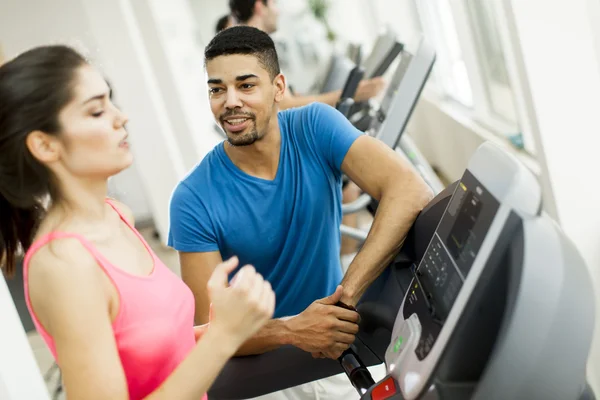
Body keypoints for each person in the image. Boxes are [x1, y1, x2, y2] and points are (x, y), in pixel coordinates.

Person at [168, 26, 433, 399]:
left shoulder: (314, 126)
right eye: (217, 89)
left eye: (246, 85)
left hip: (333, 342)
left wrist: (345, 296)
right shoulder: (192, 199)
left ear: (278, 87)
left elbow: (409, 188)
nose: (229, 101)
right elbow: (208, 327)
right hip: (261, 362)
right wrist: (293, 329)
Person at [0, 45, 276, 400]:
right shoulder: (63, 265)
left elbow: (154, 350)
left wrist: (228, 325)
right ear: (45, 145)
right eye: (97, 110)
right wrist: (222, 339)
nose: (121, 117)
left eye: (111, 100)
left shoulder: (116, 215)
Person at [228, 0, 386, 111]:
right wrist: (350, 94)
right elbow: (285, 107)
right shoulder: (252, 50)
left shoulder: (250, 47)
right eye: (273, 3)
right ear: (260, 7)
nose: (278, 11)